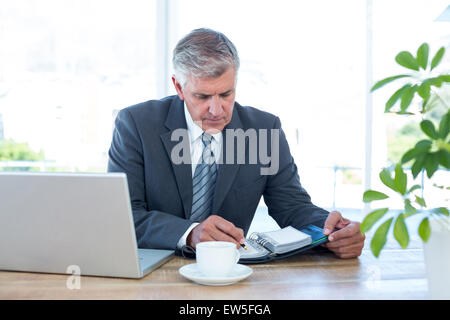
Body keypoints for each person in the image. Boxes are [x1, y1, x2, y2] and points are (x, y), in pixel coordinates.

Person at [108, 28, 365, 259]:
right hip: (154, 271)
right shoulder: (136, 124)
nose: (216, 109)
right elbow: (124, 215)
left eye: (226, 94)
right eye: (202, 96)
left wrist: (330, 230)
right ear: (178, 87)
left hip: (232, 271)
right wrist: (189, 233)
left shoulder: (265, 130)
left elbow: (292, 206)